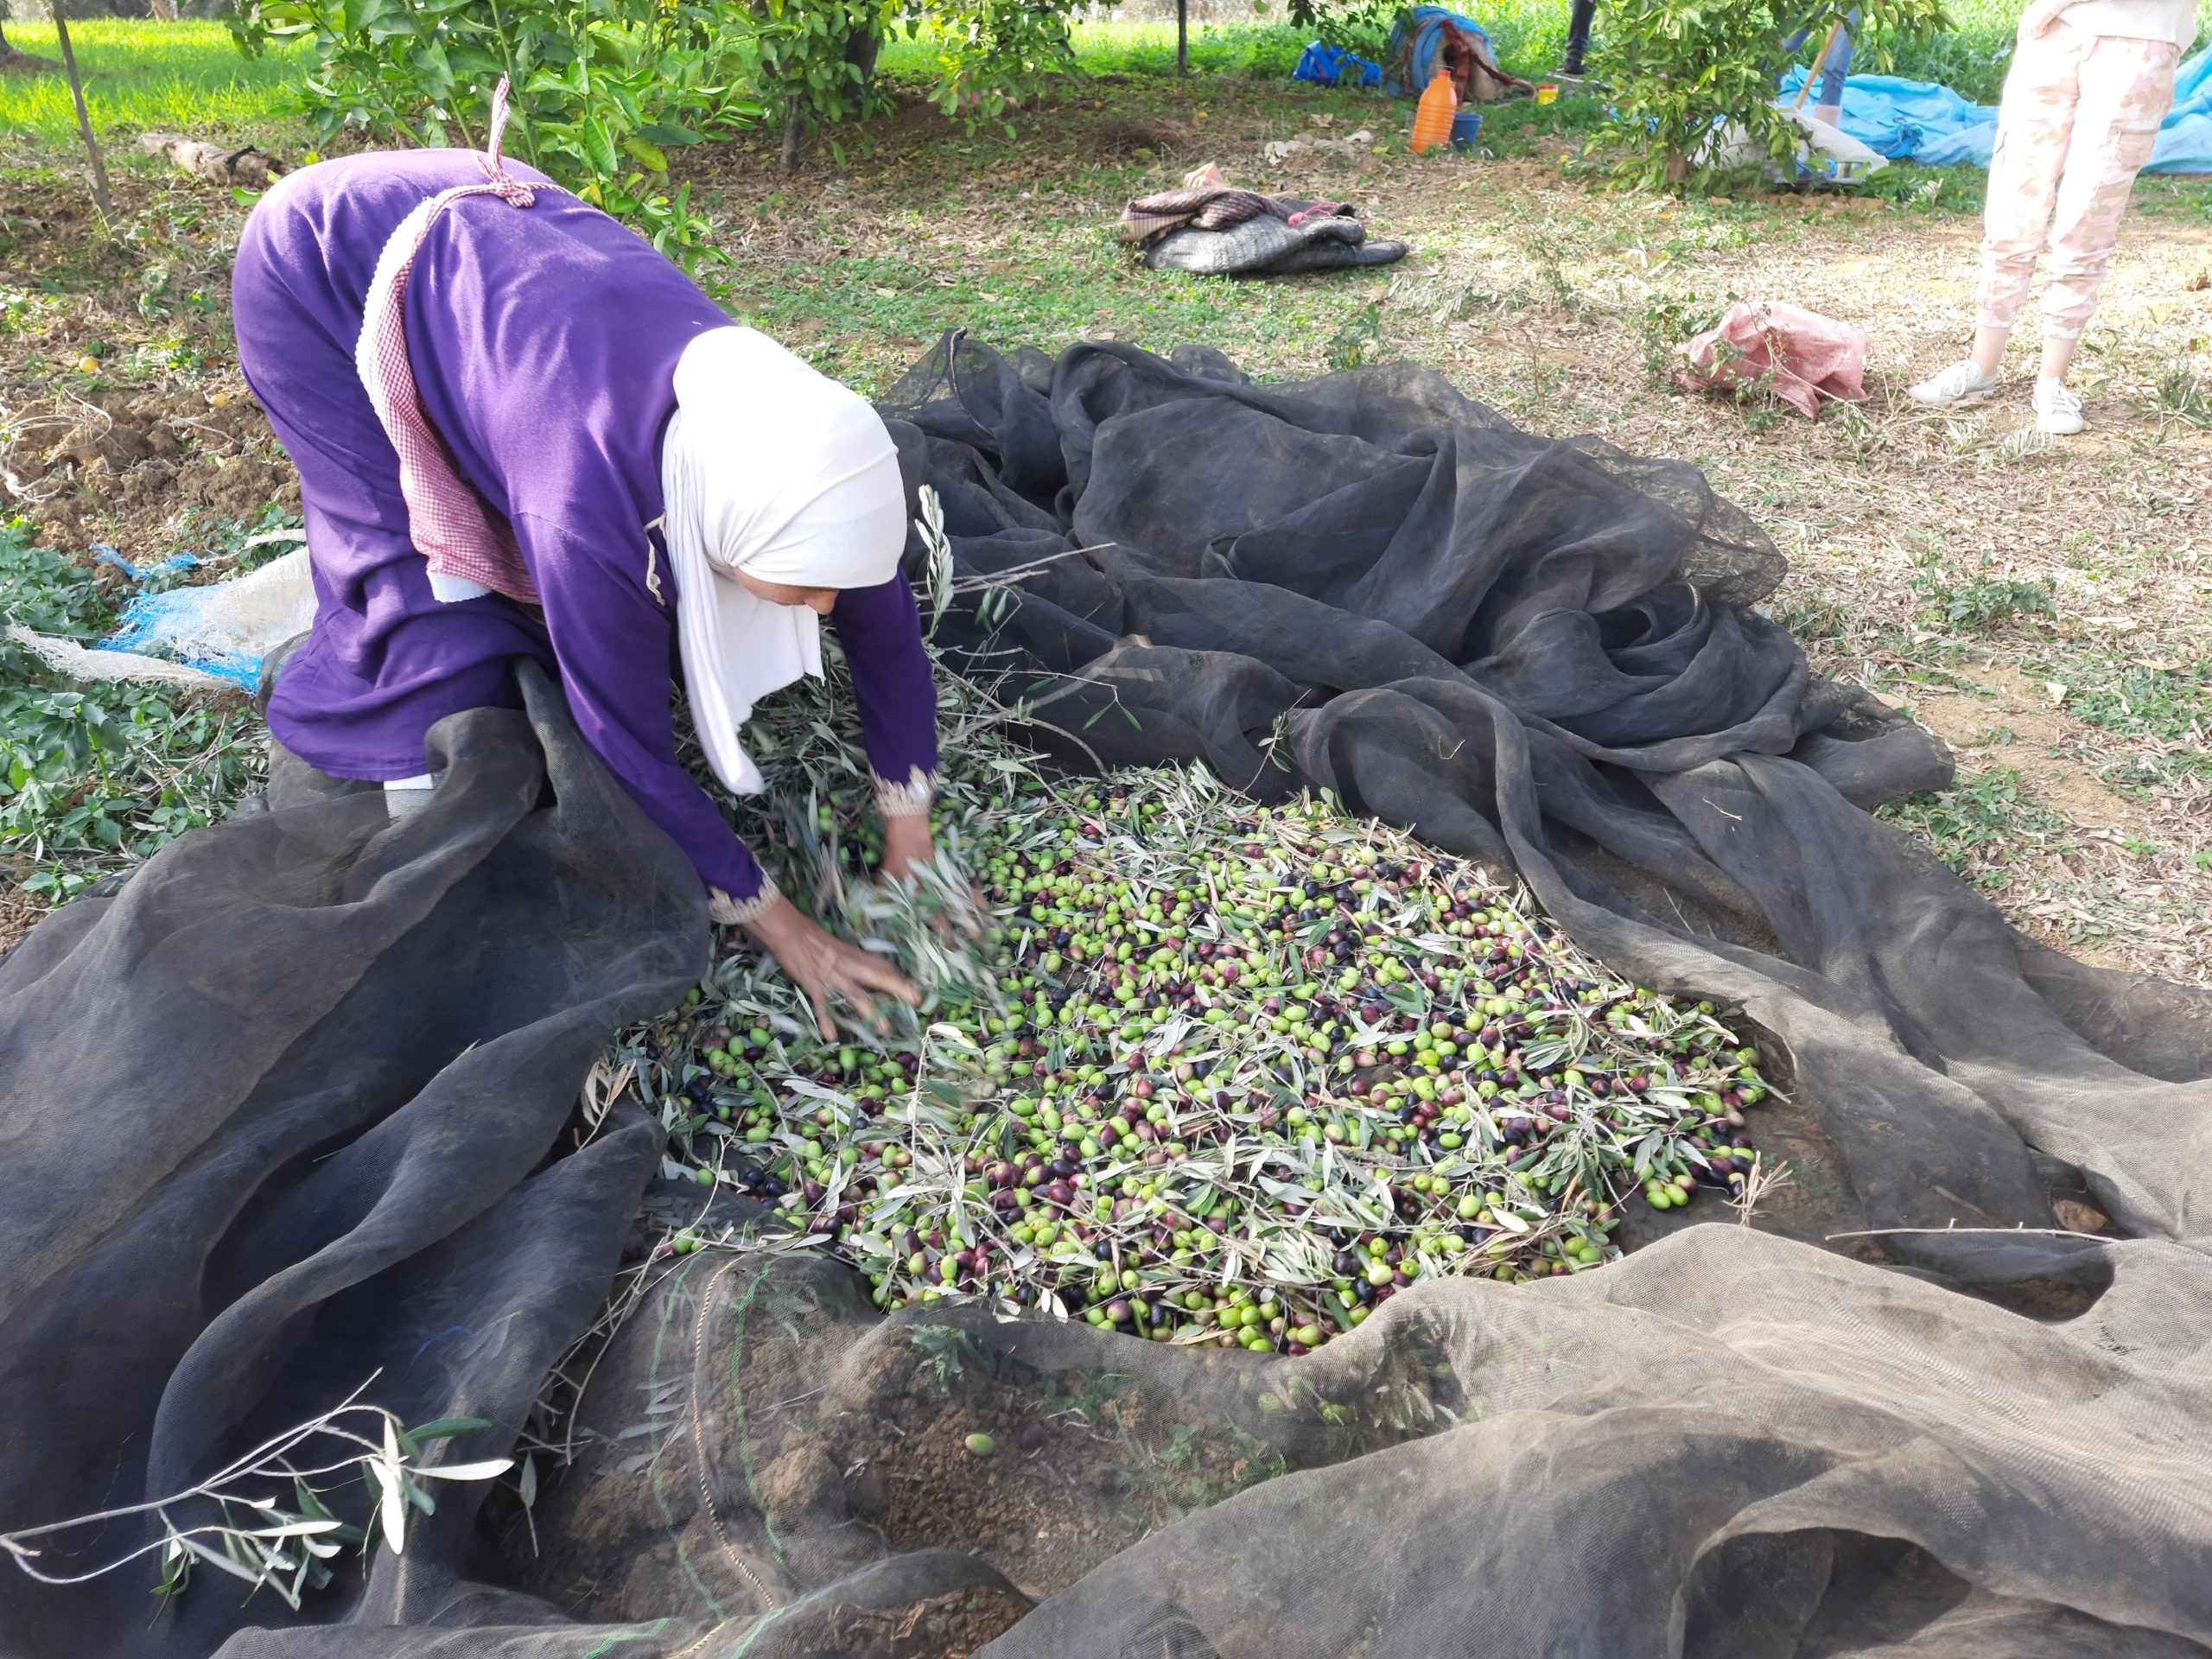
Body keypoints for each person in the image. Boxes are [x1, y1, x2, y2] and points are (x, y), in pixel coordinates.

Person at [231, 94, 941, 1037]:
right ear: (722, 526)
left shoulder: (806, 455)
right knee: (420, 590)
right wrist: (780, 924)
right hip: (325, 260)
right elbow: (625, 741)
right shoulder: (583, 508)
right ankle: (403, 749)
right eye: (802, 587)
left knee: (582, 588)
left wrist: (911, 831)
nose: (821, 608)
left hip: (510, 235)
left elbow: (877, 619)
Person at [1909, 0, 2195, 434]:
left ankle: (2052, 382)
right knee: (2012, 204)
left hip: (2141, 37)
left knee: (2088, 216)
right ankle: (1980, 368)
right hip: (2054, 30)